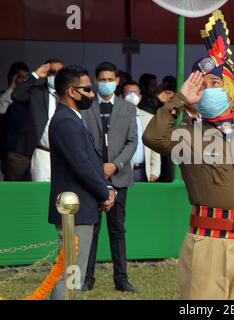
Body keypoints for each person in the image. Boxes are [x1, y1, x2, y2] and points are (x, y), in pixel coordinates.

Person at [143, 10, 234, 300]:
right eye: (204, 84)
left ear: (230, 89)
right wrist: (181, 99)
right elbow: (153, 137)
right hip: (210, 240)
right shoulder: (188, 134)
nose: (210, 89)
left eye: (216, 83)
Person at [48, 65, 116, 300]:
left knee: (71, 276)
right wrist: (104, 193)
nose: (92, 94)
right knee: (69, 277)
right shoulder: (66, 122)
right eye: (87, 89)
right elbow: (82, 167)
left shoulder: (73, 119)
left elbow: (88, 163)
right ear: (71, 91)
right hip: (73, 213)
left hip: (80, 210)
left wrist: (105, 188)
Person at [82, 62, 138, 293]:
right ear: (96, 80)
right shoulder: (86, 107)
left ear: (117, 81)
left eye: (110, 79)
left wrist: (115, 165)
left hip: (120, 177)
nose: (106, 83)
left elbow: (133, 141)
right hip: (92, 178)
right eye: (102, 79)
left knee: (117, 230)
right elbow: (82, 141)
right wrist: (97, 168)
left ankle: (121, 279)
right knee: (90, 230)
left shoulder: (128, 108)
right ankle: (86, 278)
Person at [11, 59, 64, 181]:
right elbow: (16, 95)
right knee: (41, 194)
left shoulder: (69, 94)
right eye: (52, 72)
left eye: (59, 73)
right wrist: (35, 75)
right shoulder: (36, 92)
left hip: (64, 154)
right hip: (43, 153)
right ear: (46, 74)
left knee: (63, 196)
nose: (55, 76)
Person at [122, 80, 161, 182]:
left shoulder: (149, 118)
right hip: (122, 172)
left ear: (140, 97)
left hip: (144, 171)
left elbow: (154, 146)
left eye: (135, 92)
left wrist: (155, 171)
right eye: (129, 92)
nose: (132, 95)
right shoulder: (115, 118)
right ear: (121, 96)